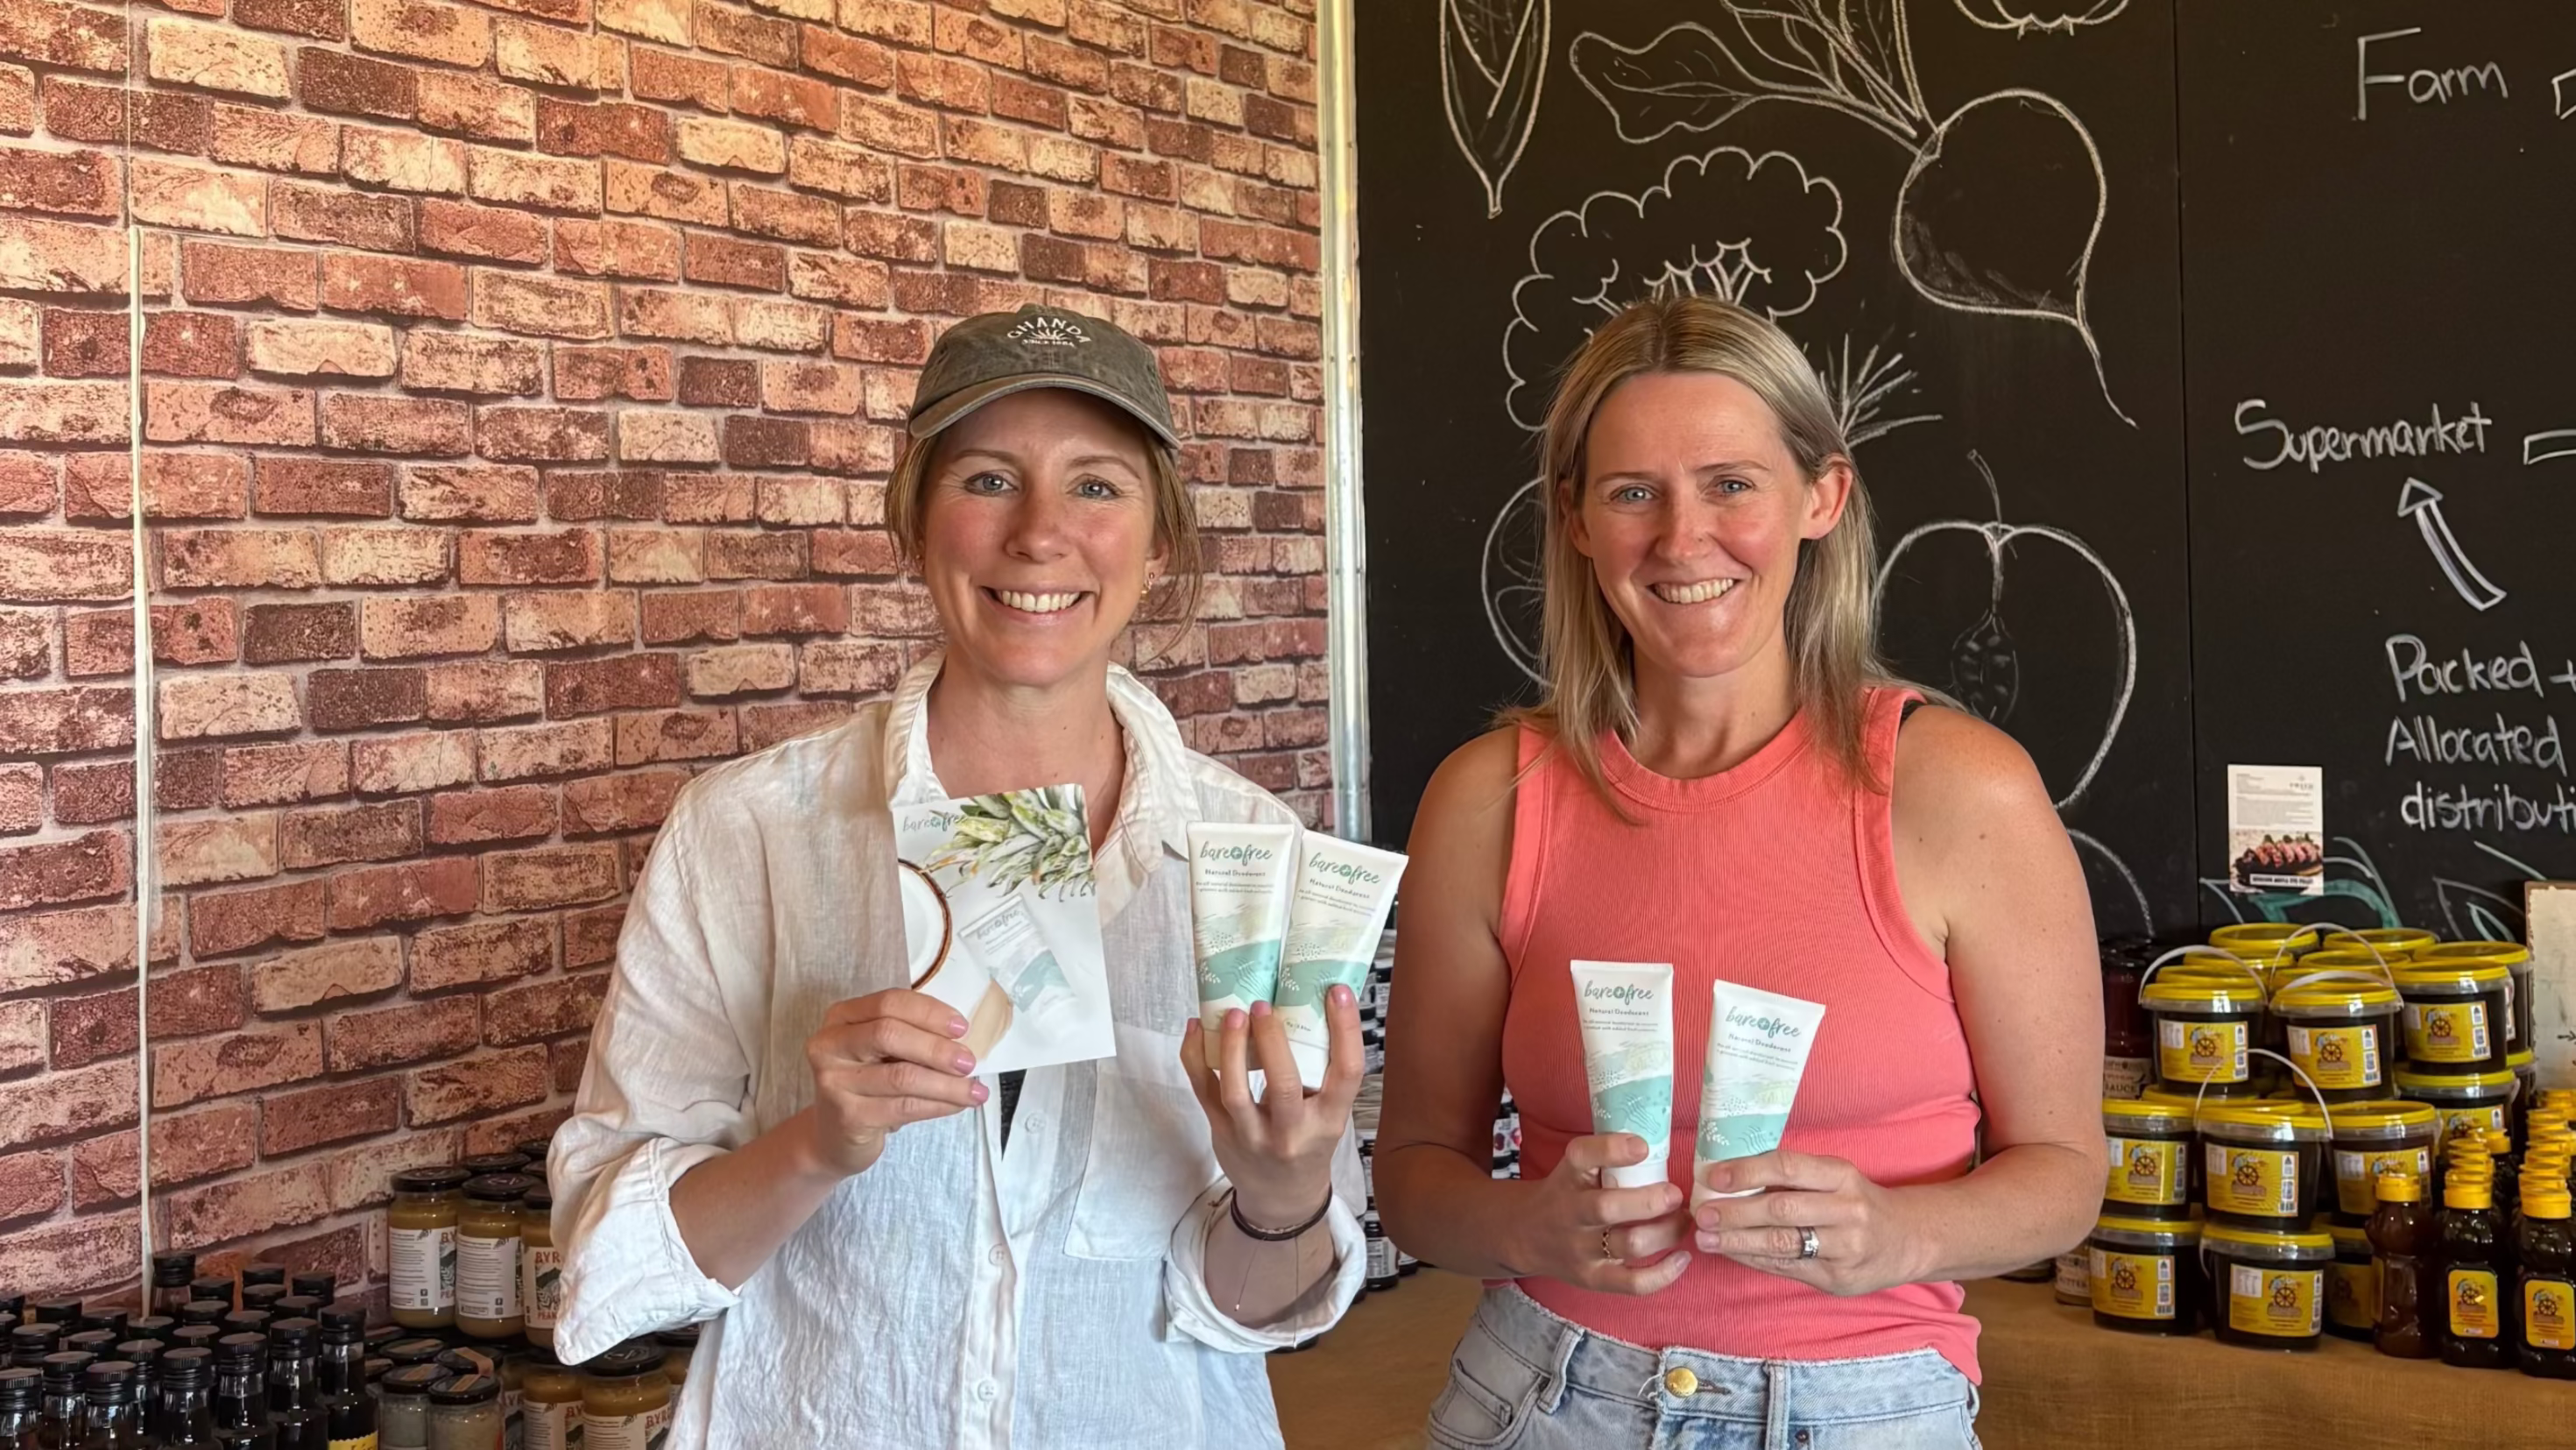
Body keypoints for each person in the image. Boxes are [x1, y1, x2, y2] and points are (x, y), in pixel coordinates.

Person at [548, 304, 1368, 1449]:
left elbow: (1248, 1314)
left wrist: (1283, 1192)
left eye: (1097, 486)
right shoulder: (749, 832)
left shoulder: (1249, 857)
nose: (1040, 533)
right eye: (988, 478)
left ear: (1159, 540)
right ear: (915, 519)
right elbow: (603, 1252)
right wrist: (813, 1145)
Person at [1376, 295, 2102, 1448]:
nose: (1681, 537)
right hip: (1549, 1395)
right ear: (1575, 520)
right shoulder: (1489, 800)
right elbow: (1416, 1172)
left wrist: (1897, 1236)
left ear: (1822, 496)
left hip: (1863, 1403)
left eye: (1730, 483)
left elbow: (2066, 1174)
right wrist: (1529, 1230)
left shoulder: (1964, 793)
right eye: (1632, 492)